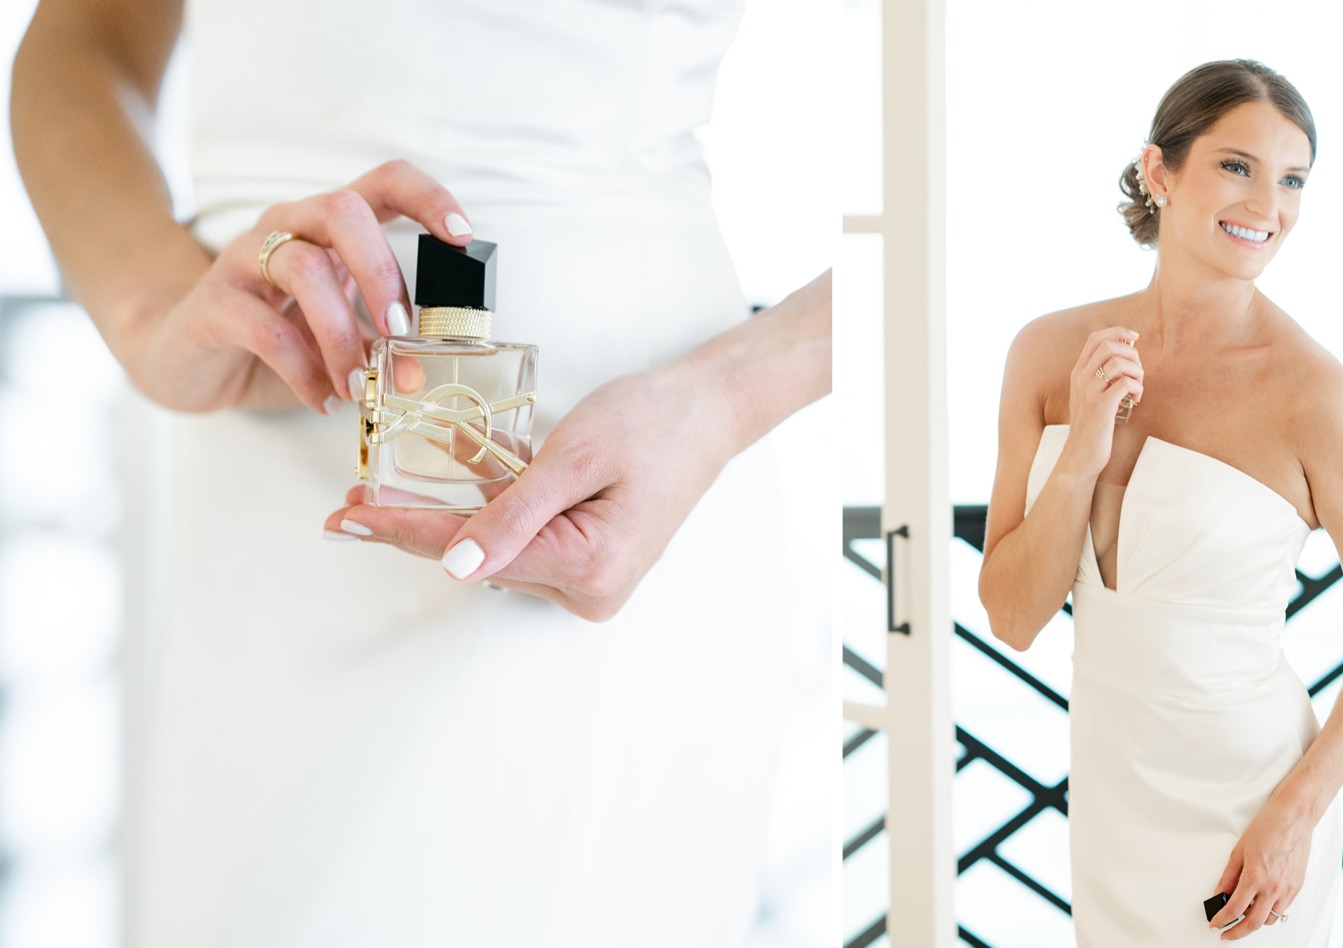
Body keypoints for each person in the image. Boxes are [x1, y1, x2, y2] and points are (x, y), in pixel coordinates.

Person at [11, 0, 831, 945]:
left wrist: (725, 397)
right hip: (245, 460)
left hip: (595, 468)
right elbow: (85, 38)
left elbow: (953, 173)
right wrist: (145, 306)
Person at [976, 60, 1343, 945]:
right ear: (1159, 171)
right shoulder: (1048, 354)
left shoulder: (1316, 396)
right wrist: (1083, 457)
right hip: (1111, 807)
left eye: (1292, 179)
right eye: (1236, 165)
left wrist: (1295, 814)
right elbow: (1014, 616)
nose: (1268, 203)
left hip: (1250, 814)